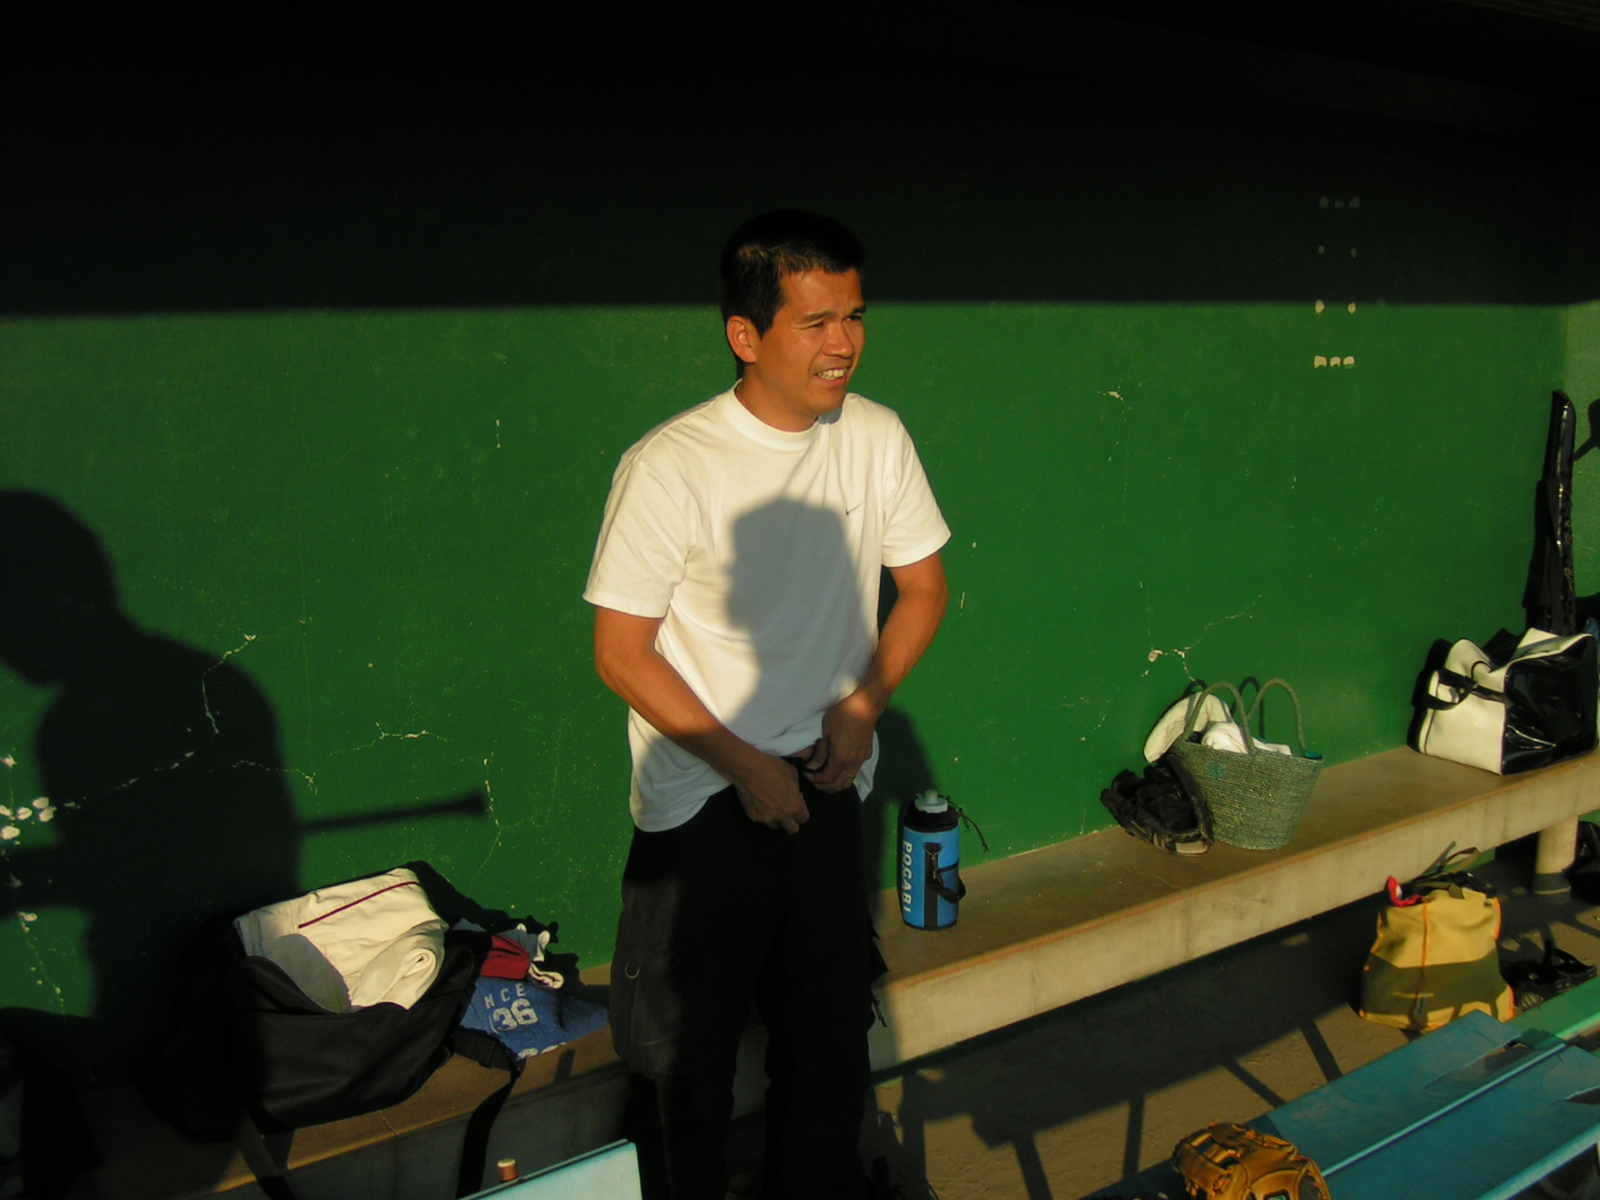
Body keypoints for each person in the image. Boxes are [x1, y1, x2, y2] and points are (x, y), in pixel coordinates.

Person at [584, 211, 950, 1199]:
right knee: (681, 1069)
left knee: (827, 1045)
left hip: (827, 785)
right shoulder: (671, 464)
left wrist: (862, 707)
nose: (844, 344)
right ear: (745, 335)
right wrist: (746, 767)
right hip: (702, 805)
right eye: (816, 322)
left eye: (855, 316)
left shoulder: (876, 436)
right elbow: (621, 652)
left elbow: (923, 587)